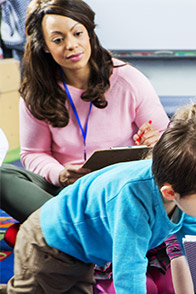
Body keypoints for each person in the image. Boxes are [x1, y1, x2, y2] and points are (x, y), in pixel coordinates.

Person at [2, 117, 196, 293]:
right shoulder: (133, 198)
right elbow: (129, 270)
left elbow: (191, 248)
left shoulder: (185, 187)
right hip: (48, 243)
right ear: (169, 192)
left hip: (83, 253)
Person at [0, 0, 169, 222]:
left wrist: (155, 139)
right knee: (3, 177)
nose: (71, 45)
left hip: (120, 191)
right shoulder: (36, 92)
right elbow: (33, 153)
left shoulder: (128, 79)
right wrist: (60, 174)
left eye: (77, 33)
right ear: (45, 46)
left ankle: (58, 228)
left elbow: (167, 139)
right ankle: (73, 227)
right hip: (64, 193)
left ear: (89, 33)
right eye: (58, 40)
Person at [93, 99, 196, 294]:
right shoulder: (177, 188)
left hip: (162, 261)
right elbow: (174, 251)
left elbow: (193, 248)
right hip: (124, 258)